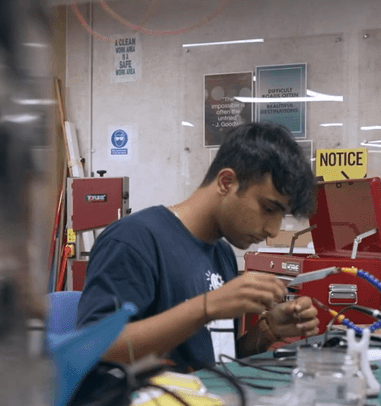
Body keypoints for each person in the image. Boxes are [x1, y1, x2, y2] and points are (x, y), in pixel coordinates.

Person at [75, 122, 321, 369]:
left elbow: (216, 364)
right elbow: (93, 347)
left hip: (205, 402)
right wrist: (206, 307)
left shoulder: (222, 253)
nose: (273, 230)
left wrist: (267, 332)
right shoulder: (134, 240)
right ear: (226, 182)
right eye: (268, 208)